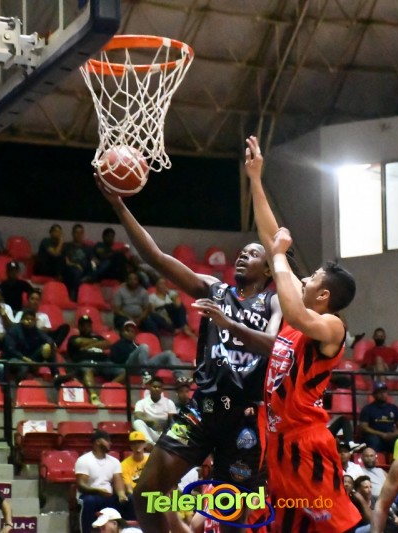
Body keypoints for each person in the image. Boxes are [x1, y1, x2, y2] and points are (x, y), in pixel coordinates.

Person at [100, 153, 282, 532]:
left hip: (246, 418)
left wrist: (229, 324)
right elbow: (155, 257)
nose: (242, 256)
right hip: (203, 408)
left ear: (268, 268)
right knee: (147, 493)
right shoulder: (215, 289)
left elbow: (275, 347)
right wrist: (118, 205)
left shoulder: (275, 301)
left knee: (230, 519)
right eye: (241, 252)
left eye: (252, 254)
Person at [246, 134, 361, 532]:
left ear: (324, 295)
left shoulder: (331, 326)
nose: (304, 279)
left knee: (338, 527)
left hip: (306, 444)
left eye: (311, 278)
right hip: (278, 443)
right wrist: (255, 179)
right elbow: (271, 240)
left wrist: (279, 255)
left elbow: (293, 311)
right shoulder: (306, 303)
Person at [75, 430, 130, 533]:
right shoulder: (84, 460)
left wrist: (121, 494)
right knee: (89, 501)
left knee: (129, 499)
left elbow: (118, 481)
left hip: (108, 495)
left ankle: (127, 530)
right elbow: (81, 485)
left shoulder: (114, 461)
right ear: (98, 441)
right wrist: (98, 491)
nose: (110, 443)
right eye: (107, 440)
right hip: (89, 494)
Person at [108, 320, 189, 385]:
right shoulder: (117, 345)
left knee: (168, 353)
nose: (130, 333)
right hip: (129, 367)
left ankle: (180, 377)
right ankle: (145, 374)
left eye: (132, 332)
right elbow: (115, 361)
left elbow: (145, 357)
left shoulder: (136, 345)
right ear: (122, 332)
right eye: (127, 331)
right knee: (144, 346)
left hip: (143, 366)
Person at [1, 309, 57, 382]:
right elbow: (11, 350)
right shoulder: (14, 330)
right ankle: (16, 385)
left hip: (30, 357)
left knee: (49, 350)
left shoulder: (34, 329)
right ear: (22, 320)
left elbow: (48, 338)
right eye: (27, 319)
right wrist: (26, 360)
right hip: (15, 358)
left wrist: (49, 344)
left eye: (32, 320)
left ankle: (56, 376)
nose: (30, 321)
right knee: (24, 367)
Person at [358, 382, 398, 453]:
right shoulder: (368, 409)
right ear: (374, 395)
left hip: (390, 435)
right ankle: (375, 459)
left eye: (384, 392)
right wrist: (381, 434)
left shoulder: (394, 408)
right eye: (379, 392)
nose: (382, 394)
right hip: (375, 435)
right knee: (373, 440)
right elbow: (364, 427)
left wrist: (393, 435)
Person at [131, 378, 177, 446]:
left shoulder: (169, 403)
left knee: (177, 429)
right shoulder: (141, 402)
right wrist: (151, 422)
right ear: (149, 388)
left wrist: (164, 427)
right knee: (137, 422)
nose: (157, 389)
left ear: (162, 389)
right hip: (149, 432)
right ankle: (150, 444)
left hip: (164, 433)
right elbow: (137, 415)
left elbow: (173, 420)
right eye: (154, 387)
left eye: (159, 387)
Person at [62, 223, 94, 301]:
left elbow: (91, 262)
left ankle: (84, 279)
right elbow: (65, 261)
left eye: (81, 233)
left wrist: (94, 266)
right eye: (77, 232)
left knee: (97, 269)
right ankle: (74, 298)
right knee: (75, 272)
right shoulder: (66, 246)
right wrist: (76, 265)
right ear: (73, 234)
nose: (79, 235)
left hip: (84, 271)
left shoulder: (88, 248)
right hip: (71, 271)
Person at [120, 431, 149, 495]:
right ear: (130, 446)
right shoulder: (124, 465)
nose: (137, 445)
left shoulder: (151, 461)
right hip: (135, 494)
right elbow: (128, 488)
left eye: (140, 442)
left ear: (145, 444)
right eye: (134, 443)